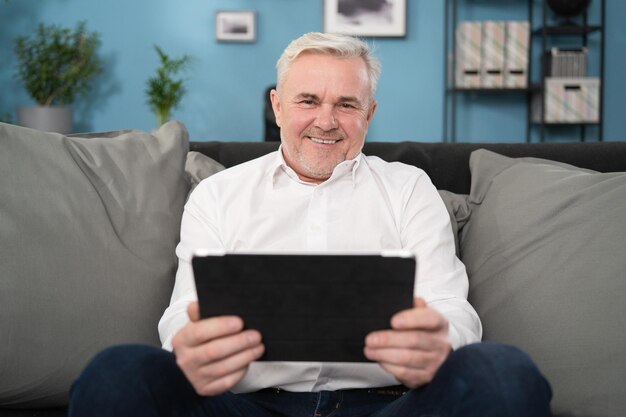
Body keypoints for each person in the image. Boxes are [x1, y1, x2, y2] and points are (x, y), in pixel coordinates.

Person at [69, 32, 552, 417]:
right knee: (117, 373)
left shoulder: (409, 188)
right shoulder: (218, 194)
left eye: (347, 104)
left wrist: (437, 341)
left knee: (504, 372)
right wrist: (186, 344)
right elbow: (182, 314)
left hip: (388, 404)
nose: (327, 120)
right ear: (277, 106)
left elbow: (453, 308)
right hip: (245, 404)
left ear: (370, 115)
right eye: (308, 101)